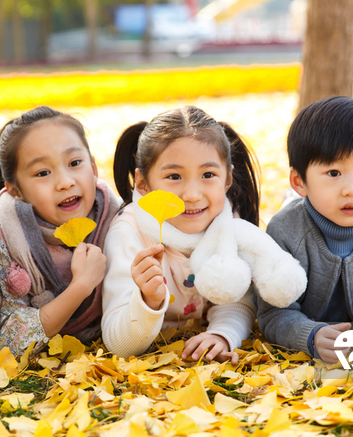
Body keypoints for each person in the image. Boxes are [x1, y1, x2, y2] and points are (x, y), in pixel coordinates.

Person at [103, 106, 306, 364]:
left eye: (208, 175)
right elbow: (117, 344)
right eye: (174, 176)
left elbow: (237, 302)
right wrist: (148, 301)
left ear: (228, 179)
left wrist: (221, 335)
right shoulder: (130, 232)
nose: (192, 194)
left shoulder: (225, 225)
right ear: (142, 183)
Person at [258, 96, 353, 364]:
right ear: (299, 181)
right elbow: (272, 314)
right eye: (333, 173)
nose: (352, 188)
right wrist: (311, 335)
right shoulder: (285, 231)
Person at [0, 106, 121, 355]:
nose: (65, 182)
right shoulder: (0, 241)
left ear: (94, 169)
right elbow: (7, 338)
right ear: (15, 190)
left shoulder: (119, 220)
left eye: (75, 163)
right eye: (43, 173)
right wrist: (80, 287)